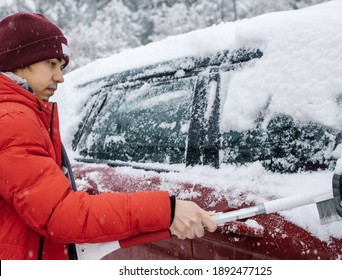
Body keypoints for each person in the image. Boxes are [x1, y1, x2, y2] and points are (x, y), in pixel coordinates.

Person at [0, 12, 217, 260]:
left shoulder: (21, 113)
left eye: (61, 67)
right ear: (20, 60)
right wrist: (165, 210)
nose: (60, 77)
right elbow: (61, 215)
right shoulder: (12, 120)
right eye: (51, 63)